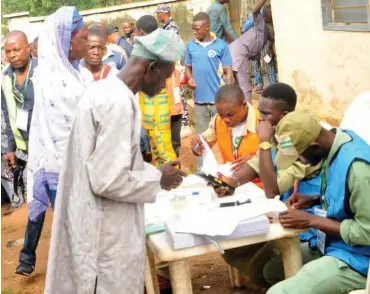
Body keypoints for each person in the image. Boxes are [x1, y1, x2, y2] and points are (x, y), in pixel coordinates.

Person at [44, 28, 186, 293]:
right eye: (166, 77)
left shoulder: (105, 90)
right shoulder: (119, 102)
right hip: (104, 235)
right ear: (151, 67)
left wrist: (152, 171)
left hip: (91, 221)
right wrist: (157, 178)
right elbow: (108, 180)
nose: (165, 85)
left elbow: (113, 161)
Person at [219, 84, 323, 286]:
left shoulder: (301, 141)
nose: (260, 119)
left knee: (262, 268)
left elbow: (272, 189)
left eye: (266, 114)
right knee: (230, 247)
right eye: (260, 112)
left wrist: (264, 142)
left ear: (285, 115)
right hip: (281, 215)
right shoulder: (279, 135)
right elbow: (255, 165)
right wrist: (230, 182)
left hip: (305, 225)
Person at [16, 6, 91, 276]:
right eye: (82, 37)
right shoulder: (52, 82)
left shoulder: (79, 74)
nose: (88, 42)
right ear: (67, 42)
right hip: (65, 171)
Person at [266, 109, 370, 294]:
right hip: (333, 244)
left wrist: (311, 220)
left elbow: (367, 232)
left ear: (314, 146)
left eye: (299, 156)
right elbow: (349, 199)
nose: (299, 161)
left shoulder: (358, 170)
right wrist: (315, 200)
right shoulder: (335, 143)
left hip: (358, 260)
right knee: (272, 271)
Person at [191, 84, 261, 187]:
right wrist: (197, 146)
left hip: (259, 188)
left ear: (244, 105)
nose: (225, 120)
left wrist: (257, 159)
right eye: (221, 114)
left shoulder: (261, 122)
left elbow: (278, 160)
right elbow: (204, 144)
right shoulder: (218, 121)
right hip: (230, 185)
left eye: (230, 115)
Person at [2, 31, 37, 218]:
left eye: (16, 50)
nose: (12, 55)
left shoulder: (43, 71)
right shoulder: (5, 77)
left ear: (28, 48)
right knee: (36, 201)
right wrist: (10, 149)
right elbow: (8, 116)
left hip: (49, 148)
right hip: (26, 149)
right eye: (8, 51)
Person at [136, 15, 177, 165]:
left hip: (155, 101)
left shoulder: (149, 48)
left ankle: (175, 180)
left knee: (163, 146)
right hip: (154, 100)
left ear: (140, 31)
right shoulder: (162, 45)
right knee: (155, 144)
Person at [185, 12, 233, 138]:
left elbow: (229, 73)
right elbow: (187, 67)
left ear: (207, 27)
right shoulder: (190, 46)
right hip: (200, 103)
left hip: (219, 103)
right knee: (202, 142)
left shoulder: (221, 45)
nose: (194, 32)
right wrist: (190, 78)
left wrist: (228, 97)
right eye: (193, 30)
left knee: (225, 138)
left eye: (197, 29)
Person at [229, 0, 271, 102]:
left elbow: (270, 39)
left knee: (239, 85)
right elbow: (255, 11)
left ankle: (238, 109)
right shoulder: (260, 23)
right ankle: (249, 114)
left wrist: (270, 49)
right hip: (240, 54)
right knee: (245, 88)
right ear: (265, 16)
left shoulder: (267, 28)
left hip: (234, 51)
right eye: (271, 12)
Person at [242, 7, 278, 93]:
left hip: (266, 40)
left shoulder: (272, 17)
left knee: (268, 59)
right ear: (264, 17)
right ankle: (259, 84)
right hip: (254, 39)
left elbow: (272, 34)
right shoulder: (254, 19)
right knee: (255, 61)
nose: (271, 19)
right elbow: (244, 29)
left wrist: (270, 48)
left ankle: (273, 84)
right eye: (269, 19)